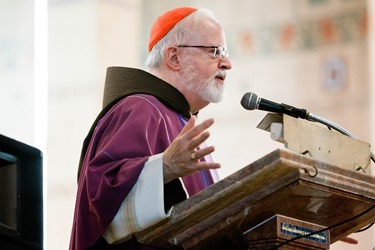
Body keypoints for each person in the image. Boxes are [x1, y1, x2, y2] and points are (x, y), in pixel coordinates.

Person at [69, 7, 232, 250]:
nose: (227, 63)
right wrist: (163, 168)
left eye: (226, 52)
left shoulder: (180, 121)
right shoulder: (140, 110)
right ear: (174, 58)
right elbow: (98, 198)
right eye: (215, 51)